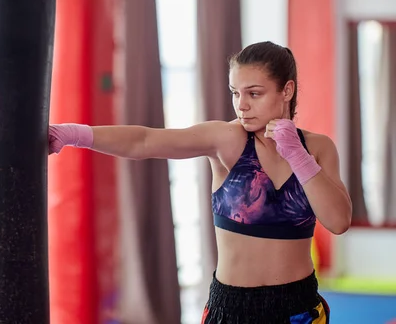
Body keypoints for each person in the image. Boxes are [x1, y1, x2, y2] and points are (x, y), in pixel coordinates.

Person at [47, 41, 352, 323]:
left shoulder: (317, 148)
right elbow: (145, 140)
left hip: (298, 309)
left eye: (254, 93)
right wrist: (76, 134)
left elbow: (338, 221)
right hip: (233, 308)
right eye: (235, 93)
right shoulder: (228, 140)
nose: (241, 105)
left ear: (286, 90)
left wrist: (298, 156)